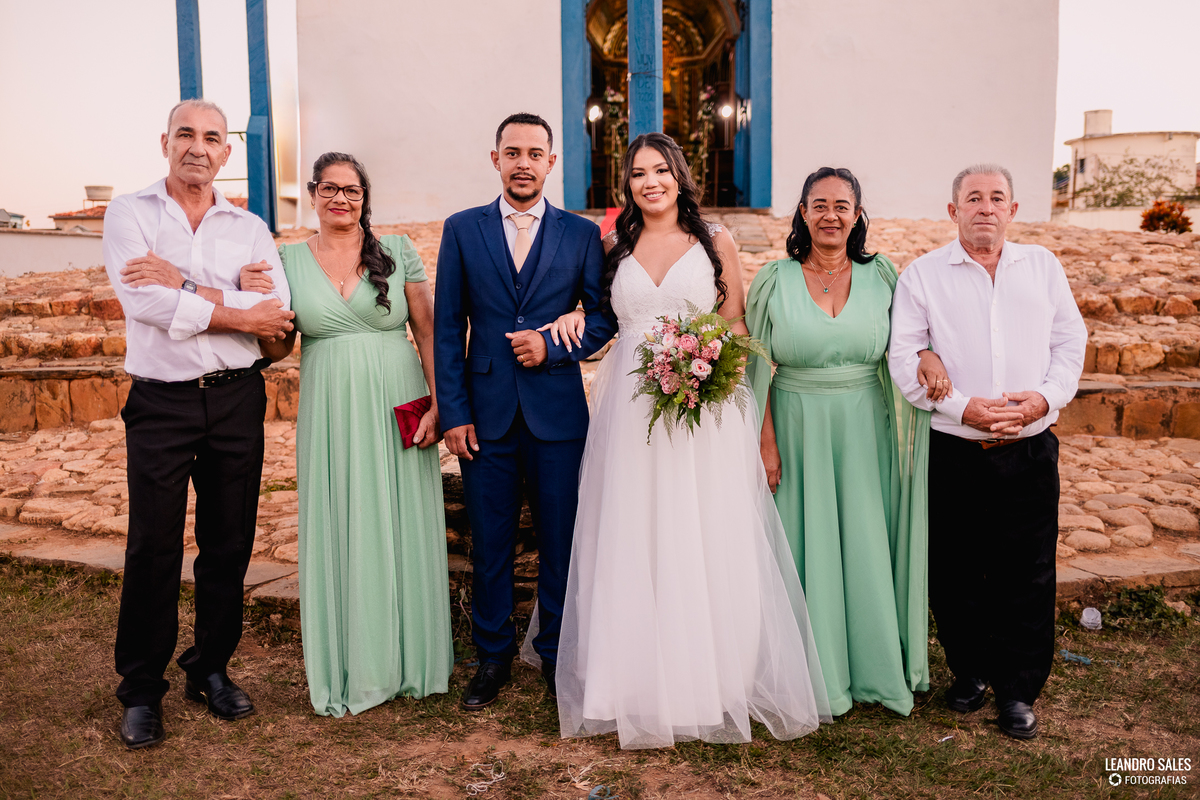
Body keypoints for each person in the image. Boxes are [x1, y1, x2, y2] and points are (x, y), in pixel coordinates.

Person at [542, 132, 830, 750]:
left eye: (661, 170)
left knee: (702, 532)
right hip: (630, 404)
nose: (651, 182)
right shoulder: (611, 244)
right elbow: (596, 313)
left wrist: (714, 370)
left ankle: (707, 684)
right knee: (633, 530)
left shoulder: (714, 240)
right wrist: (569, 317)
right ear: (628, 182)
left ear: (680, 175)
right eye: (639, 173)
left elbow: (734, 322)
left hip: (704, 403)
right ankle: (629, 685)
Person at [103, 99, 295, 749]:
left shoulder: (248, 225)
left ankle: (209, 667)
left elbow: (281, 312)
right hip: (161, 402)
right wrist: (235, 304)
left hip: (236, 398)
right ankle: (140, 689)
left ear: (226, 153)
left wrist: (185, 281)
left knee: (229, 543)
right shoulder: (130, 213)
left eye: (211, 137)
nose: (198, 146)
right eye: (186, 133)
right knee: (152, 546)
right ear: (165, 142)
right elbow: (143, 300)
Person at [241, 152, 452, 716]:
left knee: (401, 518)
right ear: (312, 193)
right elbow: (279, 346)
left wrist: (440, 403)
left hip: (398, 398)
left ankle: (411, 661)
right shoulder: (286, 259)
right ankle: (354, 662)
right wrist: (251, 306)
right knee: (344, 519)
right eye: (330, 189)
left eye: (352, 190)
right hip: (331, 404)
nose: (341, 199)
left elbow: (428, 332)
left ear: (365, 196)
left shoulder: (398, 251)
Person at [888, 164, 1086, 739]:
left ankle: (1019, 690)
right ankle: (970, 670)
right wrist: (963, 409)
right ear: (953, 212)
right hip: (954, 448)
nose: (985, 207)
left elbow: (1070, 342)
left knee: (1027, 573)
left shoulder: (1043, 267)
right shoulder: (922, 276)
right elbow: (905, 355)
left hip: (1027, 450)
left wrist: (1042, 401)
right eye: (973, 198)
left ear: (1013, 210)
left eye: (997, 198)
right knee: (953, 569)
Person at [746, 168, 950, 717]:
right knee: (802, 546)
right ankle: (815, 677)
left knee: (864, 541)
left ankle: (874, 671)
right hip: (795, 426)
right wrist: (765, 441)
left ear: (858, 214)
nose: (830, 214)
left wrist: (928, 355)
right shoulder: (773, 279)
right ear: (803, 212)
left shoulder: (884, 275)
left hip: (867, 428)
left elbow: (912, 339)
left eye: (842, 205)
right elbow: (757, 366)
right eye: (819, 204)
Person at [433, 113, 617, 710]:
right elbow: (446, 331)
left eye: (535, 153)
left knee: (562, 539)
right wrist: (454, 413)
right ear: (495, 159)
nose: (523, 162)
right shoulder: (462, 230)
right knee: (491, 543)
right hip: (484, 415)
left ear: (551, 163)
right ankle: (492, 657)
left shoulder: (581, 235)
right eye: (512, 152)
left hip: (558, 414)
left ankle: (558, 654)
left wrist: (555, 341)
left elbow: (603, 319)